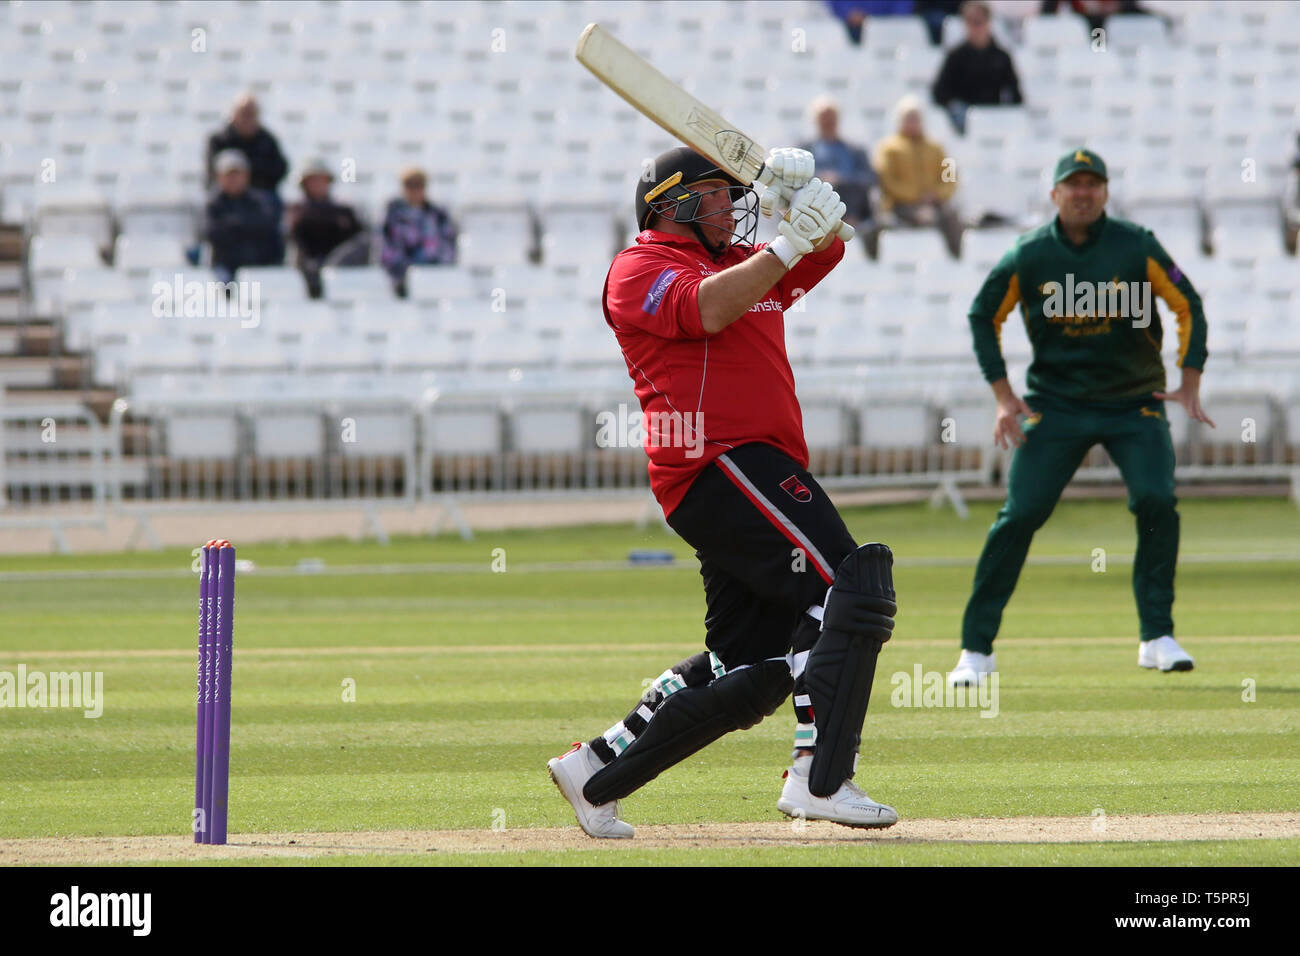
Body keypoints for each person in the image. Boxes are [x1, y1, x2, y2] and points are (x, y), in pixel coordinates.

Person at [546, 145, 900, 839]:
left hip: (746, 468)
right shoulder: (639, 266)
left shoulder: (738, 266)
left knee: (753, 666)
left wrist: (804, 206)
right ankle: (818, 776)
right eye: (714, 194)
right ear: (671, 203)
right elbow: (705, 312)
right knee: (851, 586)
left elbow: (822, 253)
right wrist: (786, 239)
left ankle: (596, 770)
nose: (731, 207)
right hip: (718, 460)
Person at [948, 148, 1212, 687]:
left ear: (1106, 192)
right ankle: (976, 649)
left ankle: (1157, 636)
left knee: (1157, 501)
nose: (1083, 193)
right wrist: (1003, 396)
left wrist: (1189, 380)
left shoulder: (1136, 245)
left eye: (1093, 184)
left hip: (1134, 403)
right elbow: (982, 313)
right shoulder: (1028, 253)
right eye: (1074, 185)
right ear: (1055, 195)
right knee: (1019, 516)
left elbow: (1189, 302)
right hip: (1056, 405)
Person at [932, 0, 1023, 135]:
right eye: (969, 22)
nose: (974, 27)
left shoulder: (1002, 56)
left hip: (993, 119)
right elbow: (939, 92)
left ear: (988, 22)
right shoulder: (955, 56)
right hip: (965, 123)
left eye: (978, 22)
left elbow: (1015, 94)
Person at [287, 158, 365, 298]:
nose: (317, 184)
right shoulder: (296, 211)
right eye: (313, 180)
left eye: (320, 179)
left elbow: (360, 239)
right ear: (304, 183)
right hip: (310, 266)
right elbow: (296, 242)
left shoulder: (344, 210)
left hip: (340, 268)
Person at [799, 96, 877, 230]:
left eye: (831, 117)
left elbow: (869, 178)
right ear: (815, 120)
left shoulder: (855, 150)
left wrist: (842, 179)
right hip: (816, 200)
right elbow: (798, 178)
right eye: (823, 117)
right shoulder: (805, 150)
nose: (828, 122)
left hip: (850, 202)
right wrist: (822, 178)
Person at [204, 149, 283, 282]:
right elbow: (210, 232)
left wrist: (232, 225)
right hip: (225, 268)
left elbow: (266, 229)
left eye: (238, 174)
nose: (234, 179)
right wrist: (246, 225)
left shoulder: (260, 201)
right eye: (229, 175)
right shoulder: (212, 204)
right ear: (219, 177)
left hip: (259, 266)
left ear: (247, 176)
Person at [380, 167, 458, 297]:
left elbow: (448, 245)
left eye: (419, 185)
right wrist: (407, 272)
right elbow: (386, 248)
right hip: (401, 278)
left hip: (435, 276)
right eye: (409, 185)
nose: (414, 190)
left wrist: (436, 271)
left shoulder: (438, 215)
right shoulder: (392, 215)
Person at [206, 93, 289, 198]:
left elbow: (280, 169)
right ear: (234, 115)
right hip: (225, 198)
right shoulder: (219, 140)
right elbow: (212, 172)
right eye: (244, 114)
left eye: (251, 114)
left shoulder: (268, 140)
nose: (247, 119)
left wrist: (250, 175)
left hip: (261, 195)